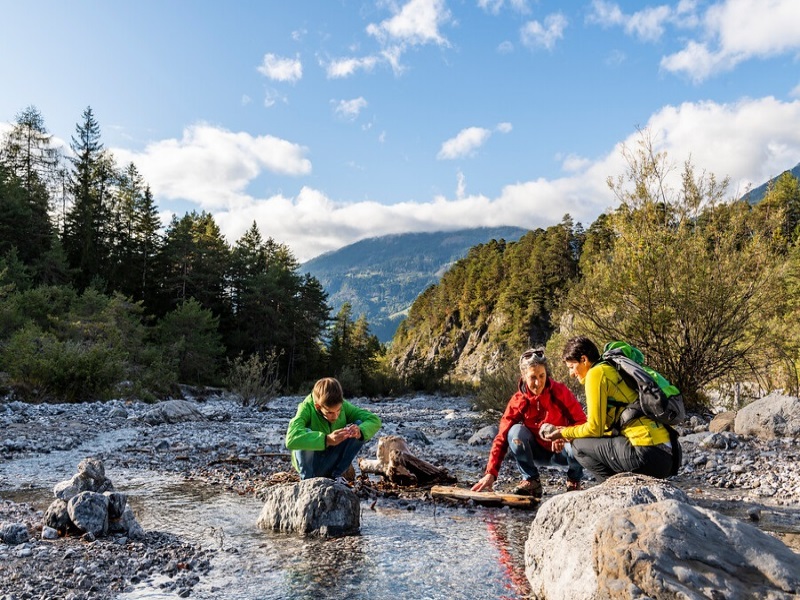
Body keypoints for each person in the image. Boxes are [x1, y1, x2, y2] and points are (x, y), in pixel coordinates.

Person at [541, 336, 673, 482]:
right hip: (666, 455)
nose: (571, 374)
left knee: (578, 446)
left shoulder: (596, 373)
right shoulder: (611, 369)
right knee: (584, 439)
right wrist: (568, 433)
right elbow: (603, 430)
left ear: (584, 360)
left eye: (572, 367)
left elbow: (594, 428)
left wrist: (562, 433)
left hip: (648, 454)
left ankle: (611, 490)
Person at [471, 348, 587, 497]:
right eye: (533, 377)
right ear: (524, 376)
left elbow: (582, 423)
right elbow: (501, 438)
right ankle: (531, 480)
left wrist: (563, 434)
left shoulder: (560, 392)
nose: (538, 383)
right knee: (515, 432)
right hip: (536, 452)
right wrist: (491, 473)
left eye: (542, 376)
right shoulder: (518, 401)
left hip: (563, 452)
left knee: (580, 441)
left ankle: (574, 480)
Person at [285, 377, 382, 484]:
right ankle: (307, 481)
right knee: (305, 432)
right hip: (311, 466)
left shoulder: (344, 406)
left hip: (330, 463)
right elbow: (291, 439)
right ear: (318, 407)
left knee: (358, 428)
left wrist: (359, 431)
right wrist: (326, 440)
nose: (335, 416)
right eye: (330, 413)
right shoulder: (306, 408)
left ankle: (336, 476)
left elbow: (374, 420)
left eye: (338, 411)